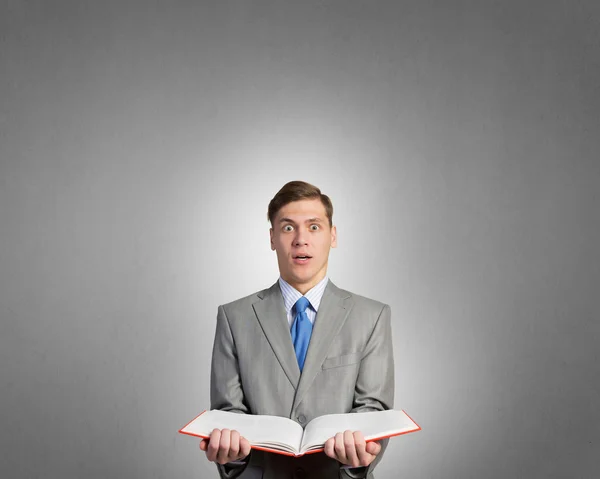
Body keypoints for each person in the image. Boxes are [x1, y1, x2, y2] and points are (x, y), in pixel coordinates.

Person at [199, 181, 395, 479]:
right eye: (288, 228)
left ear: (333, 236)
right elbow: (229, 414)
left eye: (314, 227)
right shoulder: (233, 317)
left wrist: (357, 458)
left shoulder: (372, 316)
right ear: (272, 238)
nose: (301, 239)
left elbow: (373, 409)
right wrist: (232, 456)